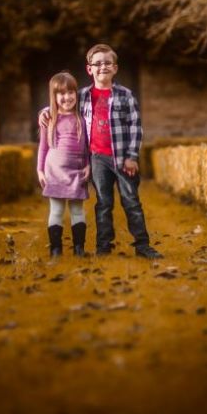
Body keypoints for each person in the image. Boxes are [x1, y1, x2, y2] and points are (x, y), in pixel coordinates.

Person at [39, 44, 164, 260]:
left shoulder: (125, 95)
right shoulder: (83, 96)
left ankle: (142, 245)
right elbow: (61, 102)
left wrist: (132, 157)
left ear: (115, 68)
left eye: (107, 63)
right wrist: (44, 112)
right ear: (89, 69)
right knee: (104, 203)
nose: (102, 67)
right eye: (97, 63)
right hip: (96, 159)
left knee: (131, 201)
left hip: (123, 159)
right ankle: (103, 246)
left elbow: (136, 127)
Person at [37, 71, 90, 257]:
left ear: (76, 94)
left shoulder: (82, 118)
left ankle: (79, 249)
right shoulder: (49, 119)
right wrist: (40, 170)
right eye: (61, 93)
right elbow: (43, 147)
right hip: (54, 171)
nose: (67, 97)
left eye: (71, 92)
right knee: (57, 210)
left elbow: (87, 147)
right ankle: (56, 249)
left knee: (77, 210)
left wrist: (88, 165)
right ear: (54, 96)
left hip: (76, 170)